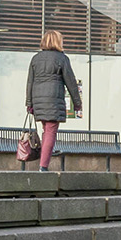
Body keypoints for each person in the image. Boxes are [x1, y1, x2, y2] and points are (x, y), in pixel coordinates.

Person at [24, 30, 81, 171]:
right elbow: (71, 82)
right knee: (50, 131)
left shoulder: (35, 58)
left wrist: (29, 103)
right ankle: (43, 166)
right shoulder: (62, 58)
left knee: (46, 129)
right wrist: (77, 103)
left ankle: (43, 164)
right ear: (57, 42)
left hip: (38, 101)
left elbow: (30, 82)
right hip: (53, 100)